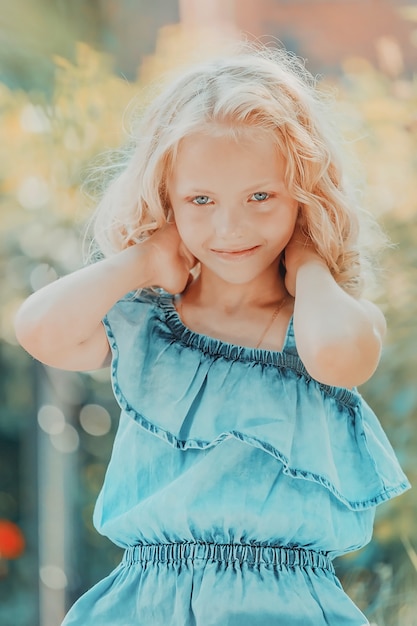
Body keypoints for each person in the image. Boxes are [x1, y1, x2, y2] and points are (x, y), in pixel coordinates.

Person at [14, 44, 410, 625]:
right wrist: (145, 260)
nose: (231, 227)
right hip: (145, 606)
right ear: (168, 201)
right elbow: (38, 329)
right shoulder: (146, 325)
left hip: (288, 609)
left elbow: (339, 358)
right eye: (201, 200)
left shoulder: (336, 321)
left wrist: (308, 266)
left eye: (261, 197)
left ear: (304, 198)